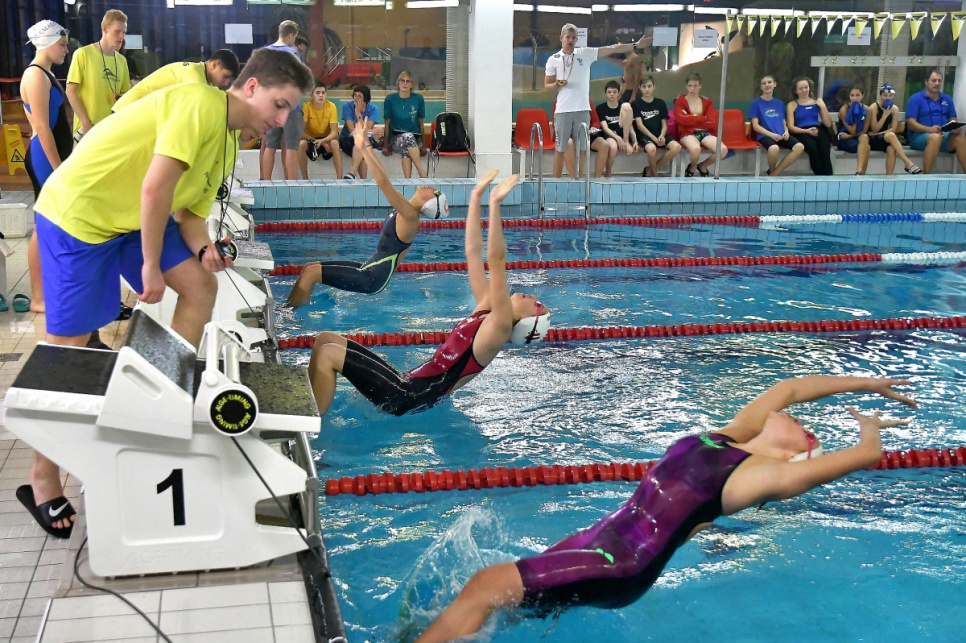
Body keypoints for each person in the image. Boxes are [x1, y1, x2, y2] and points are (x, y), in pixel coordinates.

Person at [19, 48, 314, 541]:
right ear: (252, 87)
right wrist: (151, 268)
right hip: (80, 214)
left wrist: (204, 251)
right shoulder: (198, 104)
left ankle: (153, 404)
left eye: (290, 111)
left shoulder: (226, 143)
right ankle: (41, 478)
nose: (282, 120)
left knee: (201, 285)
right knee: (68, 348)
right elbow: (156, 191)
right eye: (280, 105)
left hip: (128, 219)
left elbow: (189, 215)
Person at [413, 376, 916, 642]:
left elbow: (866, 454)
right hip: (600, 541)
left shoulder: (759, 477)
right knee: (501, 606)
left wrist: (869, 430)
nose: (793, 413)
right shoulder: (729, 437)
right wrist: (867, 383)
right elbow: (792, 388)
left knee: (486, 586)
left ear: (794, 454)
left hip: (622, 565)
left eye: (804, 427)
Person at [307, 169, 550, 417]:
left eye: (538, 305)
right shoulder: (486, 313)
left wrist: (495, 204)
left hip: (409, 398)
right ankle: (306, 409)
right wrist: (476, 197)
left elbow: (496, 260)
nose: (533, 297)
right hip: (406, 384)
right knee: (325, 339)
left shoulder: (500, 328)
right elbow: (473, 251)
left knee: (328, 353)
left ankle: (312, 428)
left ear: (527, 323)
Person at [287, 119, 446, 306]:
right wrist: (365, 143)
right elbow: (383, 175)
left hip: (371, 278)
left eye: (435, 192)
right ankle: (289, 306)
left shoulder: (410, 217)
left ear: (430, 204)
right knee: (309, 267)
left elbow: (383, 183)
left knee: (311, 273)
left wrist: (363, 147)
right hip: (369, 269)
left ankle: (290, 314)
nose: (431, 186)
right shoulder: (407, 209)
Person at [545, 23, 651, 178]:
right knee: (560, 149)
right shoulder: (553, 59)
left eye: (573, 38)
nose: (570, 40)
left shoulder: (585, 53)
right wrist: (557, 84)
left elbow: (612, 48)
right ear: (561, 38)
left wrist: (635, 45)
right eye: (568, 37)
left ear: (576, 40)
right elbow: (547, 86)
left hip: (582, 109)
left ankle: (578, 181)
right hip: (563, 110)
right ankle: (555, 184)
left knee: (582, 148)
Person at [20, 20, 71, 314]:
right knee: (43, 227)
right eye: (62, 44)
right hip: (45, 159)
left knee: (51, 225)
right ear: (48, 43)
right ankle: (38, 298)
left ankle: (48, 291)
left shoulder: (46, 73)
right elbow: (41, 128)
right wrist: (58, 168)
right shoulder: (35, 75)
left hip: (52, 157)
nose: (65, 50)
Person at [65, 9, 131, 140]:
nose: (121, 37)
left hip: (112, 129)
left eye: (124, 32)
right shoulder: (83, 54)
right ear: (105, 29)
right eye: (117, 32)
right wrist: (85, 122)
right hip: (87, 130)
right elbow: (70, 91)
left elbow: (125, 94)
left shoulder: (122, 61)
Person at [111, 48, 240, 112]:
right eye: (226, 76)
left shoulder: (201, 75)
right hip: (126, 112)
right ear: (215, 65)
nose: (226, 83)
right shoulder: (194, 76)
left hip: (135, 113)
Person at [260, 20, 304, 180]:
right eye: (295, 37)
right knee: (291, 147)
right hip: (290, 106)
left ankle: (266, 182)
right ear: (291, 35)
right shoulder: (293, 54)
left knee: (270, 146)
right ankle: (291, 185)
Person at [905, 69, 966, 174]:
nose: (937, 83)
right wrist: (929, 129)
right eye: (934, 80)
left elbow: (953, 118)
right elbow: (911, 123)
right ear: (926, 81)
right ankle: (926, 176)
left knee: (960, 138)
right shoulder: (915, 99)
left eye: (939, 81)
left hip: (943, 135)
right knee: (935, 137)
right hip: (920, 137)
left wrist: (955, 127)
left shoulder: (947, 99)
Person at [748, 75, 803, 177]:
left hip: (781, 134)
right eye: (764, 83)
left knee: (799, 147)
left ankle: (775, 173)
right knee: (774, 148)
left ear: (775, 84)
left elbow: (783, 122)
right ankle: (772, 171)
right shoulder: (755, 103)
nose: (767, 85)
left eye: (769, 82)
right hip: (765, 135)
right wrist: (771, 135)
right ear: (761, 87)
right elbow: (755, 126)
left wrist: (786, 131)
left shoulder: (780, 103)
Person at [674, 72, 727, 177]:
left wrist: (691, 117)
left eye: (695, 86)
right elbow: (681, 120)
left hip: (703, 132)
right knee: (695, 149)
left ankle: (703, 165)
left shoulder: (707, 102)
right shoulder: (680, 101)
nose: (692, 88)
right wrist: (702, 118)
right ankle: (693, 166)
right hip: (687, 132)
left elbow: (711, 122)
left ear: (700, 86)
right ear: (686, 86)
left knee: (723, 150)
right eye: (690, 86)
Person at [862, 83, 922, 175]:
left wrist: (880, 134)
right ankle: (907, 163)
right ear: (881, 95)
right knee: (890, 135)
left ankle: (889, 177)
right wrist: (884, 115)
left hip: (883, 137)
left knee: (891, 148)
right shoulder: (874, 107)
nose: (887, 98)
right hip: (872, 139)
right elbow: (874, 129)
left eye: (890, 95)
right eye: (885, 95)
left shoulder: (894, 109)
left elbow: (893, 129)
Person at [633, 75, 682, 177]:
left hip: (659, 133)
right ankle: (655, 176)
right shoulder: (636, 104)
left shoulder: (660, 103)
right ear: (640, 88)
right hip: (645, 135)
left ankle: (650, 169)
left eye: (649, 86)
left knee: (677, 147)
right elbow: (640, 125)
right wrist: (655, 139)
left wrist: (662, 136)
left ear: (654, 87)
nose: (647, 89)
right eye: (644, 86)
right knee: (651, 149)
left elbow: (664, 124)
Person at [383, 70, 428, 178]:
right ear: (398, 83)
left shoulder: (418, 99)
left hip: (415, 139)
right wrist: (385, 145)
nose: (405, 83)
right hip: (396, 139)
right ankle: (422, 174)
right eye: (402, 81)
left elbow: (421, 123)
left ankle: (407, 181)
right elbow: (387, 124)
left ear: (412, 85)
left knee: (407, 148)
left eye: (408, 81)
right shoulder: (390, 99)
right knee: (408, 137)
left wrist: (424, 145)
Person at [787, 77, 834, 176]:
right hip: (801, 131)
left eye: (806, 87)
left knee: (825, 152)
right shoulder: (792, 104)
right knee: (813, 150)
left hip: (817, 129)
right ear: (796, 91)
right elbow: (790, 127)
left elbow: (828, 124)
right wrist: (807, 131)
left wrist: (823, 106)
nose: (804, 90)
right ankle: (819, 177)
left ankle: (829, 178)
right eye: (801, 89)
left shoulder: (817, 102)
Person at [558, 98, 615, 178]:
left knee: (604, 145)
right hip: (570, 135)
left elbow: (596, 120)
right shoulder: (561, 102)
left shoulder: (588, 102)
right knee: (569, 143)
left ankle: (597, 179)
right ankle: (575, 178)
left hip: (587, 133)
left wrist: (594, 127)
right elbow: (558, 123)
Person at [299, 80, 343, 179]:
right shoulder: (306, 107)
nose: (321, 95)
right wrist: (320, 143)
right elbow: (301, 133)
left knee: (335, 143)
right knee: (301, 144)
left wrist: (323, 141)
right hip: (312, 140)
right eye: (318, 93)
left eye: (323, 93)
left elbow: (334, 132)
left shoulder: (331, 106)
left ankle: (340, 179)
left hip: (326, 139)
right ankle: (305, 178)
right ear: (312, 95)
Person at [339, 84, 381, 179]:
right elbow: (351, 130)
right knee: (363, 149)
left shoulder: (373, 109)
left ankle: (352, 173)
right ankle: (362, 180)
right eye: (355, 95)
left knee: (362, 143)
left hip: (364, 140)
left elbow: (364, 130)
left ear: (365, 99)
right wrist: (371, 131)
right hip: (347, 139)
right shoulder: (347, 106)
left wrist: (358, 113)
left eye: (359, 96)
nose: (356, 98)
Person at [597, 80, 638, 159]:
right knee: (613, 147)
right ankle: (608, 168)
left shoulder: (622, 107)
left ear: (619, 93)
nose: (612, 94)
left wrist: (635, 141)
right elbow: (605, 128)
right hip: (609, 135)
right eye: (609, 92)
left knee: (626, 105)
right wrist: (618, 138)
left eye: (614, 92)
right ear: (605, 93)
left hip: (622, 132)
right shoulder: (600, 108)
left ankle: (626, 140)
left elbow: (630, 126)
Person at [835, 85, 869, 172]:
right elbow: (852, 131)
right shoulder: (844, 109)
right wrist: (856, 115)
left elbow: (864, 130)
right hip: (843, 138)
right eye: (852, 95)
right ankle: (860, 172)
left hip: (856, 136)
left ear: (862, 96)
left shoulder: (867, 110)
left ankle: (859, 171)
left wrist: (850, 136)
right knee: (866, 146)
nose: (854, 98)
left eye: (857, 95)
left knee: (865, 140)